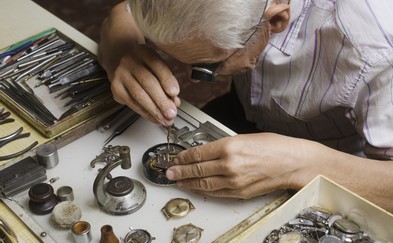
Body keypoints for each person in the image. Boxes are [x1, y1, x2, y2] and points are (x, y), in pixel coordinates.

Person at [98, 0, 393, 213]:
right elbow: (122, 14)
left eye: (205, 68)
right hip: (247, 110)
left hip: (338, 166)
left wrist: (303, 164)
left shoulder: (375, 53)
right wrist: (122, 55)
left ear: (275, 21)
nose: (192, 80)